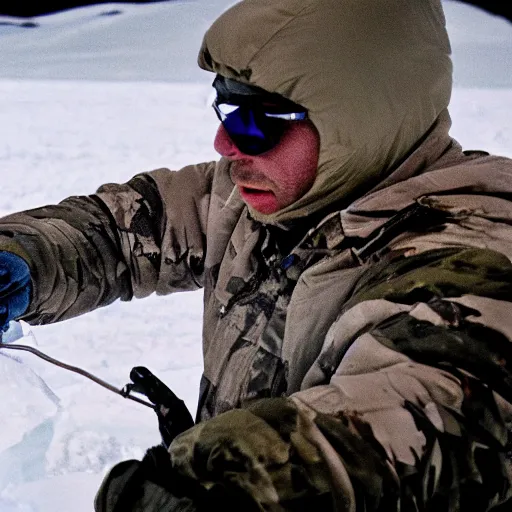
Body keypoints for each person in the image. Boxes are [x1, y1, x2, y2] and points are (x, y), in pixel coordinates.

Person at [1, 0, 512, 510]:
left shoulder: (468, 253)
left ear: (360, 120)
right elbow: (123, 228)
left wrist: (232, 485)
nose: (225, 144)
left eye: (258, 121)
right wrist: (24, 257)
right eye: (226, 108)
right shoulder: (263, 196)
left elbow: (435, 412)